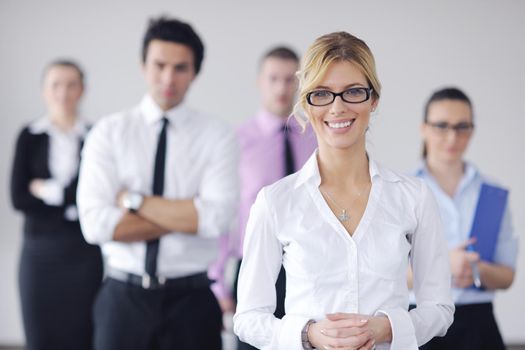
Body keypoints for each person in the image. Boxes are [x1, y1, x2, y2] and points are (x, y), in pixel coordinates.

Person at [233, 31, 454, 350]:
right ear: (307, 104)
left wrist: (387, 328)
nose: (337, 107)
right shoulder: (275, 201)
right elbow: (248, 318)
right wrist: (307, 334)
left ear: (373, 99)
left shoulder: (413, 197)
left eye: (352, 91)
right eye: (322, 93)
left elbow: (440, 309)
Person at [77, 17, 238, 350]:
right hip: (122, 298)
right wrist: (186, 214)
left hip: (192, 301)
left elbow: (215, 218)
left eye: (180, 68)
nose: (168, 78)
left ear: (194, 72)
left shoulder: (217, 135)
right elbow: (95, 225)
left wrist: (134, 202)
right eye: (159, 65)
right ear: (142, 65)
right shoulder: (108, 133)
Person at [208, 46, 317, 350]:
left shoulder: (319, 139)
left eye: (290, 79)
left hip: (310, 267)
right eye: (274, 79)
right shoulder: (237, 142)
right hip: (255, 266)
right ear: (260, 82)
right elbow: (226, 211)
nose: (283, 88)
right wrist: (217, 282)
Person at [411, 87, 518, 350]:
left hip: (478, 323)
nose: (452, 137)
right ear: (424, 128)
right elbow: (386, 271)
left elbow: (507, 276)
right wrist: (444, 265)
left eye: (462, 127)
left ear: (472, 130)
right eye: (441, 126)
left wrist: (475, 270)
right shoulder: (404, 190)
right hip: (421, 321)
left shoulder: (491, 192)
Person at [10, 60, 103, 350]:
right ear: (44, 91)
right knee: (40, 335)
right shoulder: (30, 135)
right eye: (56, 85)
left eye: (71, 84)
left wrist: (47, 190)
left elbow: (95, 193)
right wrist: (69, 199)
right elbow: (18, 198)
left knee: (82, 334)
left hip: (83, 252)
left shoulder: (96, 135)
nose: (63, 92)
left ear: (82, 90)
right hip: (39, 252)